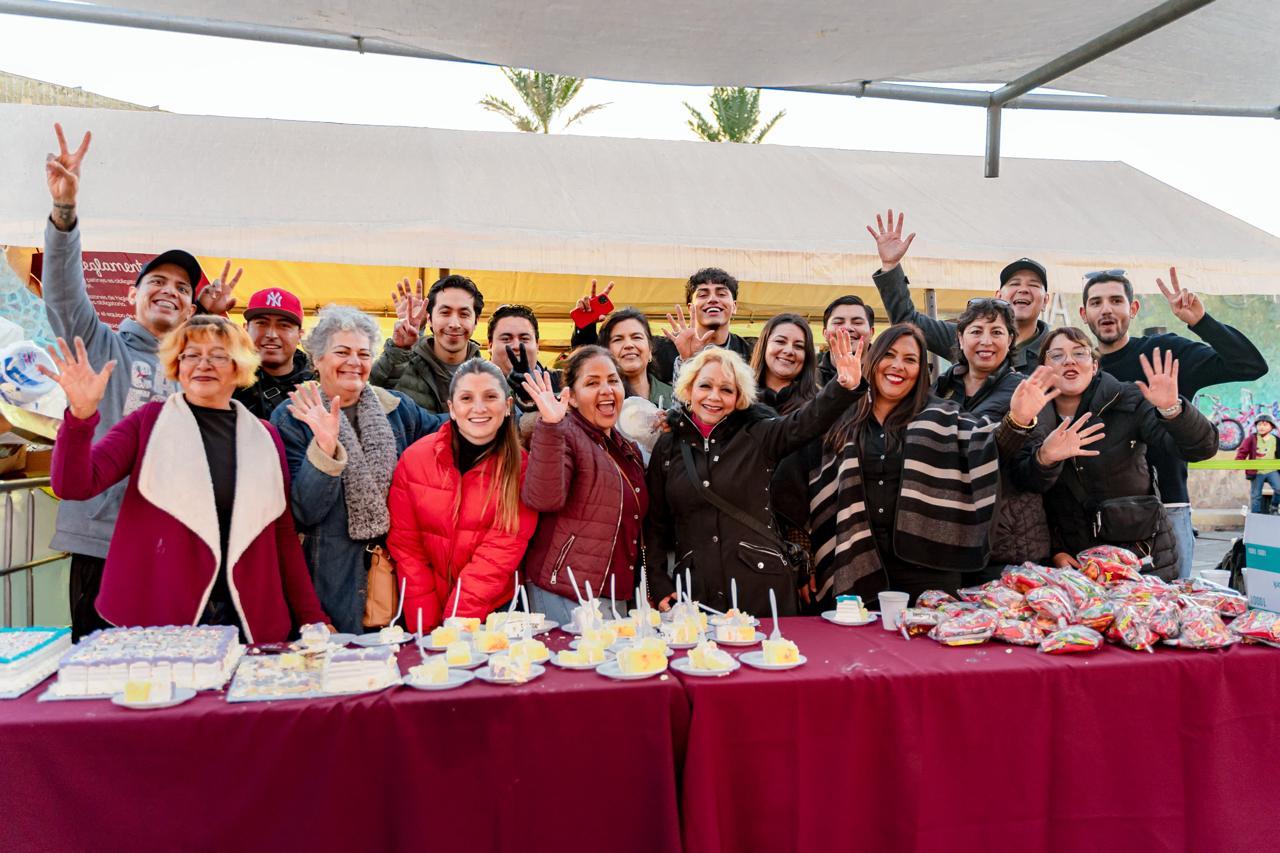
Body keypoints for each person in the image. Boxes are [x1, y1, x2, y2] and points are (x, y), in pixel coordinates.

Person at [39, 123, 233, 637]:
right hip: (102, 543)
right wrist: (64, 214)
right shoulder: (99, 345)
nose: (169, 292)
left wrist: (214, 325)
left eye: (182, 288)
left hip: (176, 544)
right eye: (157, 283)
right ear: (132, 294)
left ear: (192, 305)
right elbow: (62, 293)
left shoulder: (194, 371)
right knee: (98, 685)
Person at [45, 319, 330, 642]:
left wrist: (312, 617)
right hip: (158, 614)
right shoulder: (147, 422)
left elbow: (282, 536)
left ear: (239, 366)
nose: (203, 364)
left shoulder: (266, 436)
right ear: (176, 365)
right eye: (191, 354)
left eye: (218, 355)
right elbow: (73, 486)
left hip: (248, 618)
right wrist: (80, 419)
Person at [644, 330, 863, 616]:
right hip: (696, 593)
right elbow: (655, 523)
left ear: (739, 397)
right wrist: (658, 582)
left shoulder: (759, 434)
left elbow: (805, 422)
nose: (714, 397)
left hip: (762, 589)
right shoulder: (668, 446)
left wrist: (842, 388)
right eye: (705, 386)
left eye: (726, 389)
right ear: (689, 390)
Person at [790, 325, 1012, 604]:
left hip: (929, 567)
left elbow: (987, 449)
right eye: (889, 355)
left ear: (921, 371)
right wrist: (804, 553)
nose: (898, 366)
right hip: (851, 562)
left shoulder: (944, 416)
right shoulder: (839, 418)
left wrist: (1019, 421)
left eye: (910, 360)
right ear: (873, 359)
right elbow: (797, 477)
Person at [272, 305, 449, 634]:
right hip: (325, 576)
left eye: (363, 353)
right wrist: (324, 449)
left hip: (391, 576)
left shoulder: (397, 408)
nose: (354, 361)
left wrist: (499, 413)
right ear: (317, 359)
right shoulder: (292, 416)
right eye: (342, 352)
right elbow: (303, 511)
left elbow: (449, 430)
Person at [1080, 267, 1267, 577]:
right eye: (1097, 302)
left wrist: (1200, 322)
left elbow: (1250, 365)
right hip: (1095, 517)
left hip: (1167, 508)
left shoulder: (1164, 351)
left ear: (1133, 308)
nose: (1107, 309)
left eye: (1116, 300)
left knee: (1168, 613)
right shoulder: (1079, 369)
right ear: (1084, 314)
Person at [1013, 327, 1219, 580]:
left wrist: (1172, 410)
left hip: (1141, 559)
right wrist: (1045, 457)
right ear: (1042, 368)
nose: (1069, 360)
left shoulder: (1127, 399)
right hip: (1075, 563)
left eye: (1080, 353)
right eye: (1056, 355)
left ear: (1095, 365)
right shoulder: (1029, 412)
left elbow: (1202, 448)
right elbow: (1026, 489)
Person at [387, 360, 537, 630]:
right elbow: (408, 552)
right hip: (427, 613)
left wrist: (455, 623)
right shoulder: (414, 460)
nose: (479, 408)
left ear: (507, 407)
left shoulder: (522, 468)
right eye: (466, 398)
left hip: (496, 613)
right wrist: (426, 628)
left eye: (490, 397)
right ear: (452, 409)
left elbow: (497, 557)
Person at [519, 347, 649, 625]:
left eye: (613, 381)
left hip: (613, 590)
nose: (606, 389)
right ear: (573, 398)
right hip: (565, 589)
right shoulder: (563, 432)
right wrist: (551, 425)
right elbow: (543, 498)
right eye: (592, 383)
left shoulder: (627, 449)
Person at [933, 299, 1063, 575]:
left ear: (1011, 340)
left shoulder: (1026, 391)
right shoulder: (941, 388)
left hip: (1007, 547)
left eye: (996, 332)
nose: (986, 341)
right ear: (960, 336)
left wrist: (1047, 459)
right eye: (976, 331)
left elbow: (1033, 478)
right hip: (950, 540)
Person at [868, 209, 1051, 373]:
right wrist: (891, 267)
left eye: (1034, 285)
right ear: (998, 296)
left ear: (1045, 301)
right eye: (1014, 283)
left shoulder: (1055, 351)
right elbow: (908, 321)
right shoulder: (963, 334)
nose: (1023, 290)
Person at [371, 275, 484, 412]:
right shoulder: (402, 365)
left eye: (464, 314)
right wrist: (398, 349)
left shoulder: (489, 376)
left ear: (476, 321)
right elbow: (364, 394)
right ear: (429, 319)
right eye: (445, 313)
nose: (454, 324)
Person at [652, 267, 757, 384]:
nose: (712, 299)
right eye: (702, 295)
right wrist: (686, 361)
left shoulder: (752, 353)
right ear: (690, 308)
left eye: (721, 294)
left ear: (734, 307)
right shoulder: (661, 352)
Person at [232, 286, 314, 418]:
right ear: (245, 330)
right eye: (262, 323)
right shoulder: (227, 381)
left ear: (300, 335)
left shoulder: (319, 384)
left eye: (284, 325)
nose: (272, 334)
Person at [750, 313, 819, 415]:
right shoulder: (737, 398)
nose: (789, 351)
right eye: (780, 341)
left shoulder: (819, 405)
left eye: (798, 346)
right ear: (764, 346)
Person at [818, 295, 875, 385]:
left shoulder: (886, 375)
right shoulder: (808, 381)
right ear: (825, 333)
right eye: (838, 322)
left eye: (857, 323)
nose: (847, 328)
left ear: (871, 332)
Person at [1237, 415, 1280, 513]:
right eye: (1259, 424)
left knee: (1279, 489)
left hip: (1272, 470)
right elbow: (1242, 451)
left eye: (1265, 425)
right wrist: (1238, 463)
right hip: (1257, 472)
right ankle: (1256, 515)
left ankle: (1273, 506)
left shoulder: (1276, 440)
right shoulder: (1252, 439)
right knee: (1256, 496)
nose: (1261, 427)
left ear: (1271, 427)